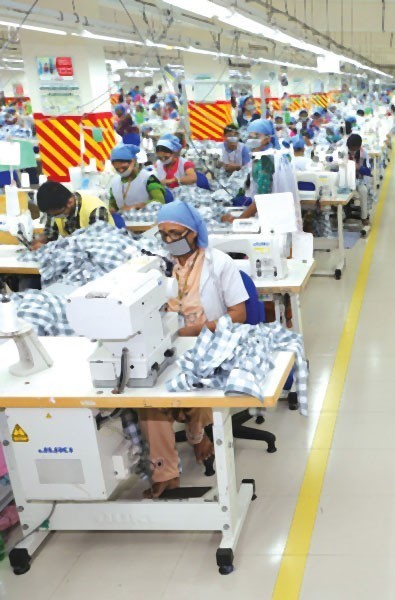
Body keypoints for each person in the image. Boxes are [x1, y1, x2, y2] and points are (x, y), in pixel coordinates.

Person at [141, 200, 248, 498]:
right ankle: (165, 471)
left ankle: (197, 434)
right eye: (164, 234)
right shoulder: (160, 266)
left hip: (211, 341)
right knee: (148, 398)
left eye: (175, 234)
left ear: (193, 231)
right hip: (172, 344)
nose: (169, 240)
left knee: (193, 378)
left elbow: (239, 314)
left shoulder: (219, 263)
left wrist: (195, 331)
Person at [221, 119, 279, 223]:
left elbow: (261, 199)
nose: (252, 139)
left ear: (267, 139)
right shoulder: (258, 157)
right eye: (250, 136)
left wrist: (239, 219)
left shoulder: (265, 161)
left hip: (268, 215)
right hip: (264, 210)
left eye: (256, 136)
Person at [32, 181, 113, 248]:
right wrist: (40, 241)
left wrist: (53, 248)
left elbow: (94, 242)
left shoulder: (95, 209)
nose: (56, 217)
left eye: (58, 214)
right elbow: (50, 234)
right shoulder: (55, 209)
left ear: (70, 202)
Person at [109, 144, 166, 212]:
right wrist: (111, 210)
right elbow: (113, 204)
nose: (121, 171)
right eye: (117, 169)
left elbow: (160, 201)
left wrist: (135, 207)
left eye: (124, 168)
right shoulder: (115, 183)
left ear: (133, 161)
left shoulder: (148, 179)